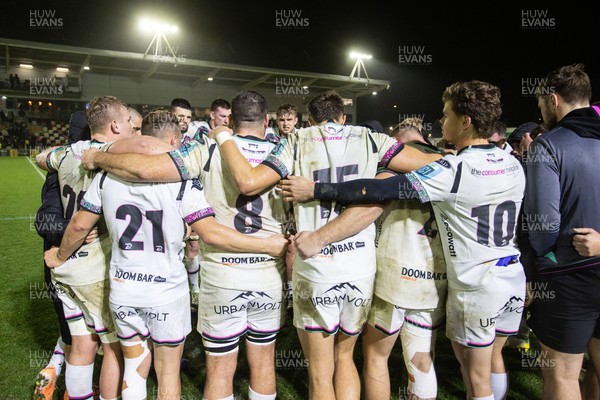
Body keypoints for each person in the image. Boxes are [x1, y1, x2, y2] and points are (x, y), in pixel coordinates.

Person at [280, 81, 526, 400]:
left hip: (441, 280)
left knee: (383, 358)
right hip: (504, 277)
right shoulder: (512, 162)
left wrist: (315, 190)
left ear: (466, 121)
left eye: (447, 114)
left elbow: (379, 192)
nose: (441, 121)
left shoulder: (452, 169)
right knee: (445, 358)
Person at [211, 89, 441, 399]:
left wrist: (224, 135)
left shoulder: (297, 140)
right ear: (343, 117)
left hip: (317, 265)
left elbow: (248, 182)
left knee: (320, 375)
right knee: (345, 358)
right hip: (359, 267)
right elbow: (432, 164)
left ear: (310, 119)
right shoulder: (370, 138)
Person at [44, 108, 288, 400]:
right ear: (173, 141)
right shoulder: (183, 181)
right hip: (166, 291)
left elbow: (80, 224)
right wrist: (268, 244)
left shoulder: (106, 178)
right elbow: (210, 233)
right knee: (168, 373)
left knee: (134, 366)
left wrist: (59, 255)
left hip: (123, 287)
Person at [35, 95, 134, 400]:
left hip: (66, 268)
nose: (134, 128)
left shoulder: (66, 154)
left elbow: (41, 158)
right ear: (115, 125)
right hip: (96, 267)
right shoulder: (116, 153)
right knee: (113, 347)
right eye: (130, 122)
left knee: (80, 344)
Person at [524, 63, 600, 399]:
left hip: (569, 277)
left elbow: (544, 228)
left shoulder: (547, 145)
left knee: (563, 375)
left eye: (540, 103)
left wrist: (543, 262)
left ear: (553, 100)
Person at [33, 110, 92, 400]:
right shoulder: (64, 168)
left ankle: (53, 368)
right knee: (79, 335)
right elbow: (44, 221)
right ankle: (71, 386)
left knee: (78, 330)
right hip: (64, 264)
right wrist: (78, 231)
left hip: (80, 264)